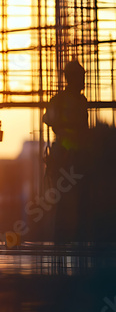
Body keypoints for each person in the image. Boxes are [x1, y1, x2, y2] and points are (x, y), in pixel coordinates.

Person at [43, 59, 89, 242]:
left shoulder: (81, 100)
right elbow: (48, 118)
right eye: (81, 77)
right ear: (72, 78)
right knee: (63, 200)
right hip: (64, 154)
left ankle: (77, 236)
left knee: (81, 198)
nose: (84, 81)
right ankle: (61, 237)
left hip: (78, 155)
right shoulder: (61, 99)